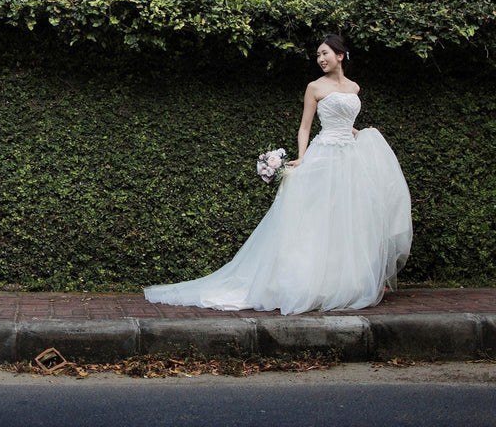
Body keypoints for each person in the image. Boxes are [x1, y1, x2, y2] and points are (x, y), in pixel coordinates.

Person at [143, 34, 412, 315]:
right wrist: (302, 158)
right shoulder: (314, 87)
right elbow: (305, 127)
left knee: (348, 218)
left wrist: (365, 135)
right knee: (315, 219)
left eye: (325, 54)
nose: (321, 59)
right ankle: (307, 281)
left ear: (340, 55)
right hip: (324, 155)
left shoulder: (355, 88)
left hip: (349, 158)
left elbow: (347, 125)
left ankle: (345, 282)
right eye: (318, 55)